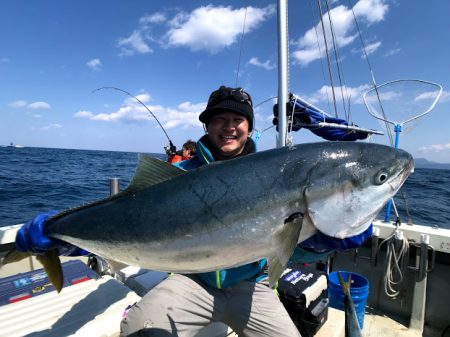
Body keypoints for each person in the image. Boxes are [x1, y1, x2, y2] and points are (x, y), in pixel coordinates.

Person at [14, 85, 302, 337]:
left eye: (238, 119)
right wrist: (64, 238)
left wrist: (320, 243)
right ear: (207, 126)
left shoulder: (270, 176)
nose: (229, 126)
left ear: (249, 127)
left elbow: (290, 235)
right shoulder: (174, 176)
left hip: (249, 285)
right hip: (190, 281)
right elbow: (133, 222)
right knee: (139, 328)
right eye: (220, 119)